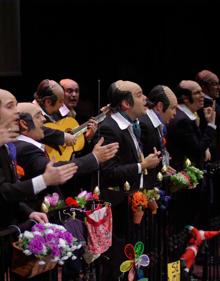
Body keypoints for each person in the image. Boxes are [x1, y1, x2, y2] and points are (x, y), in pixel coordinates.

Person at [92, 80, 161, 281]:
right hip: (117, 208)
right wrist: (142, 166)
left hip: (130, 206)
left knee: (131, 262)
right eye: (139, 95)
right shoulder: (109, 128)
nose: (145, 99)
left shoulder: (130, 125)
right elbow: (108, 172)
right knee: (117, 265)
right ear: (125, 103)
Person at [0, 89, 78, 229]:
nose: (16, 112)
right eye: (10, 106)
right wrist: (44, 180)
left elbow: (8, 192)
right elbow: (4, 191)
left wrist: (28, 213)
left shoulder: (6, 144)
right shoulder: (19, 146)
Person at [14, 102, 119, 199]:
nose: (44, 119)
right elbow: (56, 170)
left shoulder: (25, 145)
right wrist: (94, 158)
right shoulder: (25, 149)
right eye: (38, 116)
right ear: (24, 124)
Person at [166, 80, 216, 233]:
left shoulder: (189, 116)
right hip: (185, 184)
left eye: (202, 92)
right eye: (197, 93)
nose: (202, 96)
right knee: (184, 226)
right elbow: (197, 149)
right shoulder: (181, 120)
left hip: (191, 181)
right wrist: (211, 125)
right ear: (186, 98)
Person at [139, 85, 177, 188]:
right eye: (173, 108)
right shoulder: (144, 124)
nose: (175, 113)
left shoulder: (156, 124)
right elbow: (140, 161)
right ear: (159, 106)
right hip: (146, 190)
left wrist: (163, 167)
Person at [195, 69, 220, 161]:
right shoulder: (200, 106)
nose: (218, 87)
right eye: (214, 84)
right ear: (203, 87)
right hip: (208, 156)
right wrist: (206, 148)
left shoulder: (214, 103)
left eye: (218, 84)